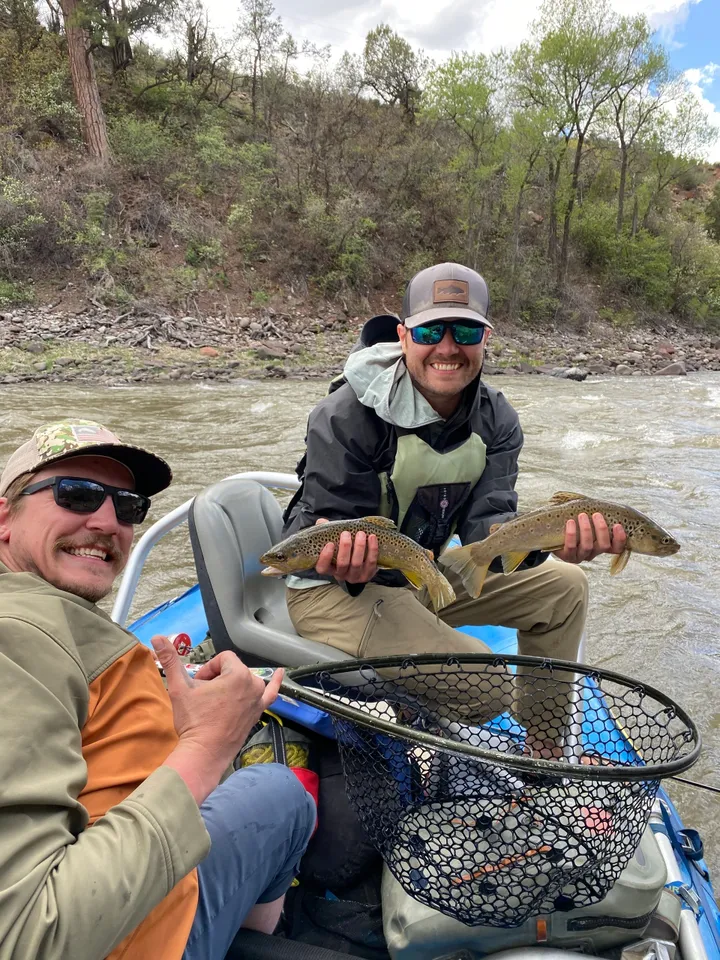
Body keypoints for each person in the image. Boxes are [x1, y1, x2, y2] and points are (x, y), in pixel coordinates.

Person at [0, 419, 315, 960]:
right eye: (76, 494)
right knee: (284, 792)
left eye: (127, 507)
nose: (106, 522)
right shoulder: (17, 641)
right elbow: (31, 937)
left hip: (119, 867)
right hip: (138, 936)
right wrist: (209, 746)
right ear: (4, 517)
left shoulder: (48, 621)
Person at [282, 262, 627, 754]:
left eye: (465, 330)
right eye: (429, 330)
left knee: (565, 588)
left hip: (423, 573)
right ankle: (411, 705)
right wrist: (346, 562)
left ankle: (543, 755)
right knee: (489, 686)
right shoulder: (345, 416)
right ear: (404, 336)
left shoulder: (497, 420)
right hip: (335, 589)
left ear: (485, 338)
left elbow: (489, 525)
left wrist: (551, 543)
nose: (447, 347)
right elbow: (334, 530)